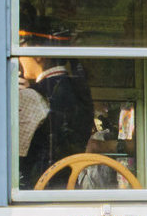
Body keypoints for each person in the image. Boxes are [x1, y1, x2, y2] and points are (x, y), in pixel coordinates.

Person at [19, 54, 95, 187]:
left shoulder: (30, 96)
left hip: (38, 187)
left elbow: (15, 155)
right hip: (70, 183)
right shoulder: (80, 91)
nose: (19, 58)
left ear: (37, 55)